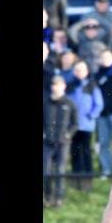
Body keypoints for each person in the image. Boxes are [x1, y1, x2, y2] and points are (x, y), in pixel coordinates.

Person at [67, 60, 102, 190]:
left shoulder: (92, 86)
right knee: (75, 151)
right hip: (73, 126)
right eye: (76, 70)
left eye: (82, 70)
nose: (79, 72)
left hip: (86, 126)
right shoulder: (70, 86)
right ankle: (76, 177)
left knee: (86, 151)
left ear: (86, 72)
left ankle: (88, 178)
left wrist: (90, 116)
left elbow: (98, 104)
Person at [43, 75, 74, 207]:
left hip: (63, 143)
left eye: (58, 85)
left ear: (64, 87)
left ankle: (59, 198)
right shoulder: (46, 103)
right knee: (46, 170)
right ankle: (47, 196)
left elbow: (75, 123)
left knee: (60, 170)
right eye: (54, 85)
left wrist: (68, 134)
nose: (55, 88)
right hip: (47, 142)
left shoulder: (69, 104)